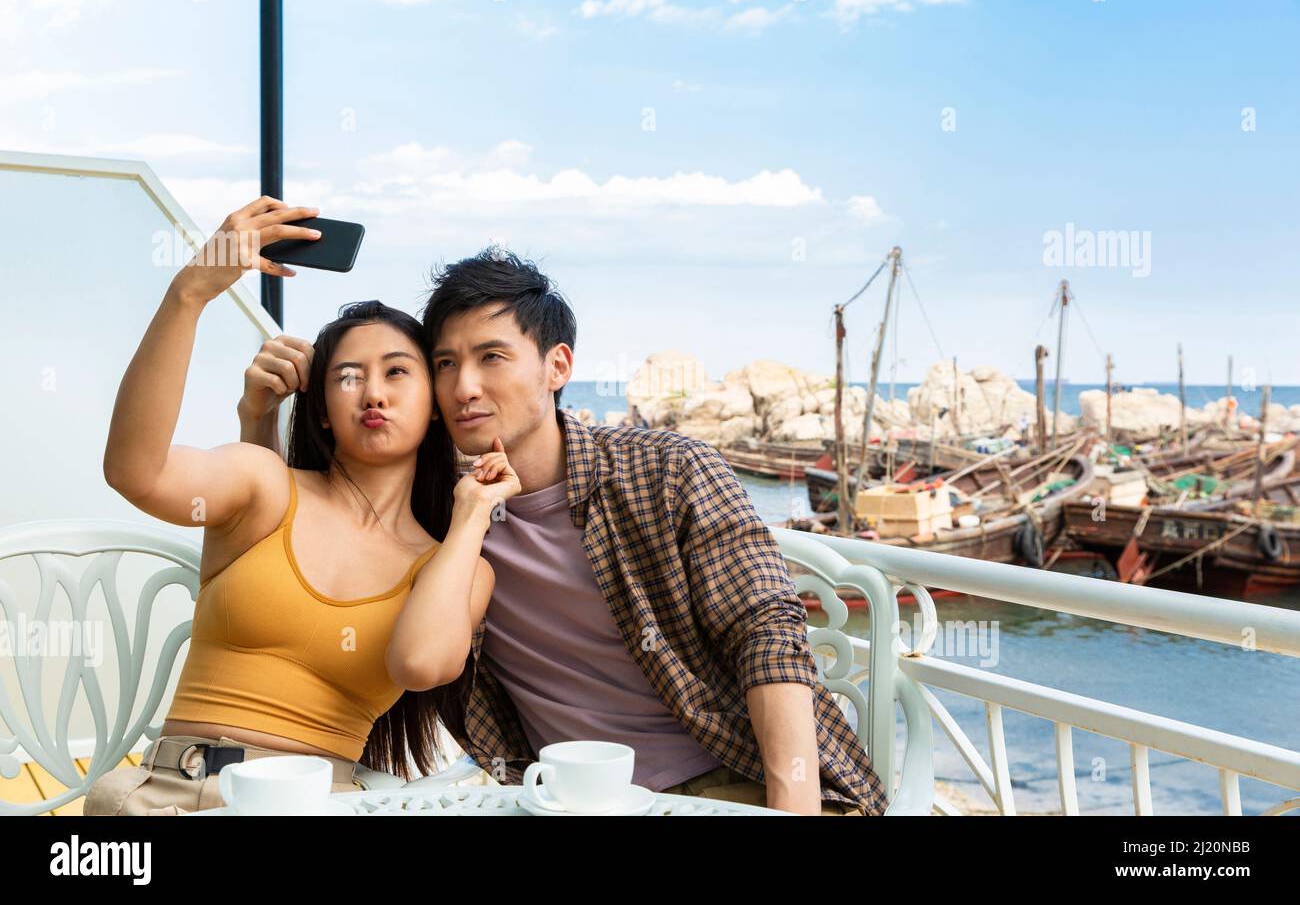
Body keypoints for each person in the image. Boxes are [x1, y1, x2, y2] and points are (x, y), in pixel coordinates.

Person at [241, 246, 890, 815]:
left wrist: (791, 807)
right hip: (564, 796)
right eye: (443, 364)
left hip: (735, 777)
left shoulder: (666, 470)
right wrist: (261, 417)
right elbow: (305, 535)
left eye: (491, 357)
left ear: (557, 366)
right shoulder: (437, 517)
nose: (464, 386)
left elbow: (766, 632)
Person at [88, 197, 518, 814]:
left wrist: (473, 511)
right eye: (347, 376)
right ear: (319, 407)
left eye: (398, 373)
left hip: (323, 806)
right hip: (173, 794)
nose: (372, 392)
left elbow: (421, 663)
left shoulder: (457, 566)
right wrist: (190, 295)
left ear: (434, 405)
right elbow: (135, 472)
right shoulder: (264, 484)